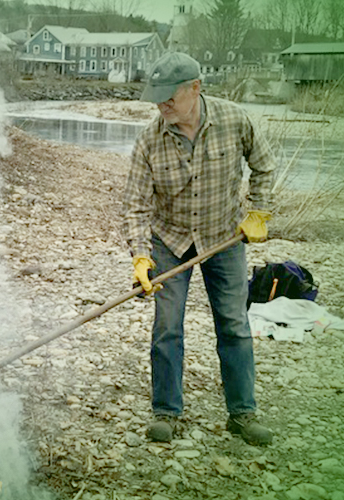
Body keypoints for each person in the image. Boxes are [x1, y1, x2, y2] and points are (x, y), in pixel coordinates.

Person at [121, 52, 276, 446]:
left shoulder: (234, 120)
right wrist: (141, 256)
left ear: (195, 88)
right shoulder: (149, 141)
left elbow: (264, 165)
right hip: (170, 240)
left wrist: (258, 211)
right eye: (156, 97)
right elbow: (136, 205)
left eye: (168, 96)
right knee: (167, 327)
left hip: (223, 237)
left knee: (234, 324)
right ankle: (166, 412)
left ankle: (242, 414)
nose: (161, 105)